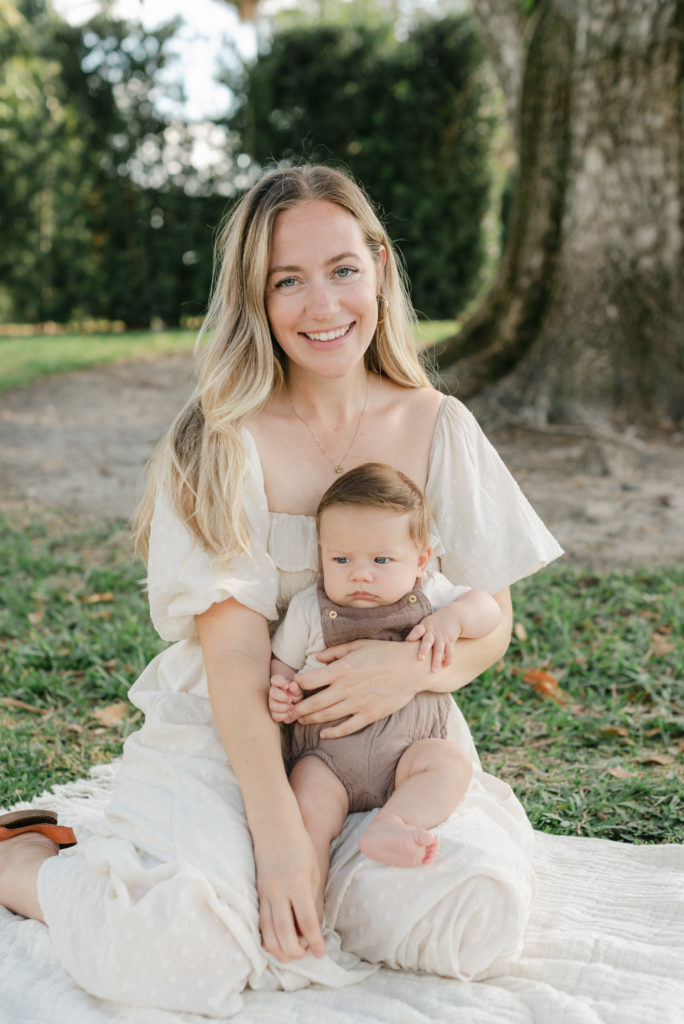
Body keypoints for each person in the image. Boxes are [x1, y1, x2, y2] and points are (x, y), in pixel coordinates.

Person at [0, 163, 563, 1017]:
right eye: (286, 282)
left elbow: (492, 621)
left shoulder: (439, 425)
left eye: (342, 269)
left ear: (378, 265)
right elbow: (231, 652)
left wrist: (410, 675)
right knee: (179, 955)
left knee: (477, 914)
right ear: (255, 302)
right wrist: (275, 837)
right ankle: (30, 863)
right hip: (234, 740)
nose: (324, 305)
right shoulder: (219, 438)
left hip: (383, 749)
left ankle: (320, 877)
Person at [269, 461, 502, 900]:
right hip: (327, 757)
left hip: (408, 754)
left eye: (381, 560)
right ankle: (309, 885)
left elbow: (488, 610)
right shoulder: (308, 609)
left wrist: (452, 620)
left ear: (420, 561)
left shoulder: (432, 593)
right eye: (341, 559)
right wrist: (281, 690)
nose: (360, 574)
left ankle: (393, 824)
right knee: (309, 808)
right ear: (321, 554)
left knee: (449, 765)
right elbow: (281, 663)